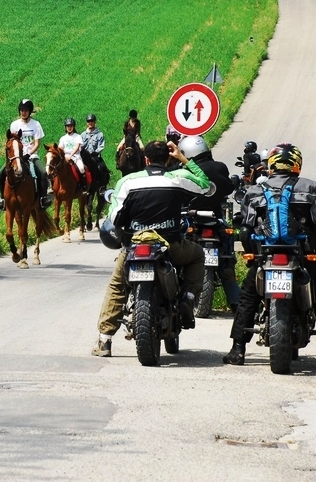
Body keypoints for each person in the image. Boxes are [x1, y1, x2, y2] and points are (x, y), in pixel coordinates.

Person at [92, 140, 214, 357]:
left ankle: (104, 341)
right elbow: (206, 185)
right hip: (171, 246)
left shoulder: (128, 182)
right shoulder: (179, 178)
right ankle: (187, 297)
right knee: (197, 254)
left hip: (135, 245)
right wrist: (184, 159)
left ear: (145, 159)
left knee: (117, 287)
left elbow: (114, 217)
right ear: (168, 158)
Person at [222, 143, 316, 365]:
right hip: (301, 255)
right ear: (296, 164)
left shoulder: (255, 190)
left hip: (267, 256)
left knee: (248, 297)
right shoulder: (311, 188)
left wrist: (251, 255)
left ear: (271, 164)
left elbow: (245, 229)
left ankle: (238, 349)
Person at [178, 135, 240, 311]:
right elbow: (229, 188)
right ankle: (236, 303)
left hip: (192, 220)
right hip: (216, 219)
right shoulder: (219, 167)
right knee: (228, 259)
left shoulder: (185, 171)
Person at [0, 99, 50, 209]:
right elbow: (11, 142)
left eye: (25, 110)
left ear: (30, 112)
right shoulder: (14, 125)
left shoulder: (36, 124)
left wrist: (29, 154)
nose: (23, 112)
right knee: (0, 174)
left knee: (43, 173)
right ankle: (3, 199)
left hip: (31, 156)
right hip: (16, 156)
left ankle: (43, 198)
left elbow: (37, 143)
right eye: (21, 110)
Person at [58, 117, 88, 191]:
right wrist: (64, 156)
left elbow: (77, 147)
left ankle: (83, 186)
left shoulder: (78, 136)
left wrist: (70, 155)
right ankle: (53, 186)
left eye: (71, 126)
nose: (69, 128)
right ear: (65, 127)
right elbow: (60, 148)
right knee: (56, 168)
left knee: (81, 168)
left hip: (76, 157)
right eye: (68, 126)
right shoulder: (63, 138)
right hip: (65, 157)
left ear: (73, 127)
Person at [81, 113, 108, 181]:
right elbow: (80, 146)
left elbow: (101, 146)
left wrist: (95, 152)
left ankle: (102, 184)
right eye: (89, 121)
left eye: (92, 121)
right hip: (84, 158)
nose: (90, 123)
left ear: (95, 122)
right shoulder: (83, 135)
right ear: (87, 123)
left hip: (95, 157)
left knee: (102, 168)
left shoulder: (99, 134)